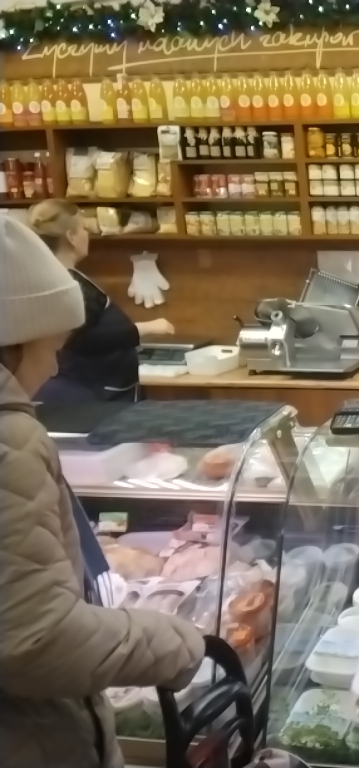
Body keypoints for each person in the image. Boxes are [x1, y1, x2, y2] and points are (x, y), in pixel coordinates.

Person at [0, 213, 205, 768]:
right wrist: (180, 645)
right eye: (52, 346)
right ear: (16, 342)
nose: (54, 366)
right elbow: (37, 640)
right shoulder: (9, 439)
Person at [28, 200, 176, 403]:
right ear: (71, 237)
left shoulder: (58, 276)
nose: (87, 234)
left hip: (97, 388)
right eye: (83, 228)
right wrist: (144, 328)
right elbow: (80, 339)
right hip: (92, 394)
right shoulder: (68, 284)